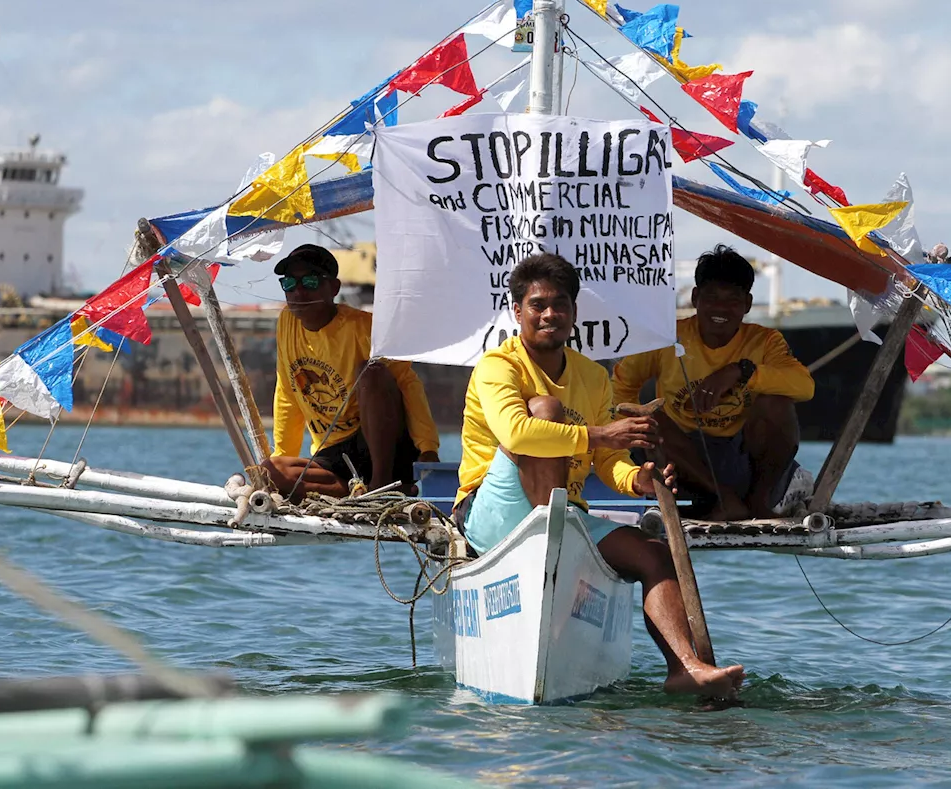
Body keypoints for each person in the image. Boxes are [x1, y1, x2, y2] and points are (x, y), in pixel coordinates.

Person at [455, 252, 744, 700]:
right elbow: (516, 431)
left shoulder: (592, 375)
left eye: (561, 305)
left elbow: (607, 460)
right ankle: (547, 550)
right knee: (544, 410)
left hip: (564, 516)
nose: (550, 314)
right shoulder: (498, 365)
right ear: (518, 312)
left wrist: (638, 480)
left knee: (653, 553)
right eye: (538, 305)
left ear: (573, 312)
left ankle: (686, 668)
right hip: (491, 510)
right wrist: (601, 432)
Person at [613, 245, 814, 521]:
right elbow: (619, 390)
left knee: (777, 404)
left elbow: (805, 386)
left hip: (738, 460)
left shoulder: (765, 341)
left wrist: (739, 372)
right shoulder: (667, 337)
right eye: (711, 297)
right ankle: (726, 500)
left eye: (732, 299)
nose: (720, 308)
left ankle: (758, 500)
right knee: (649, 418)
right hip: (680, 462)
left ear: (748, 304)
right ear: (695, 297)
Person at [261, 243, 440, 502]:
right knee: (270, 473)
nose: (298, 291)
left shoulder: (364, 327)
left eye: (310, 281)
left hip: (383, 445)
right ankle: (358, 491)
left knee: (372, 373)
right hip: (334, 454)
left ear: (333, 288)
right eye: (289, 283)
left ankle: (383, 483)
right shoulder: (287, 322)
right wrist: (282, 453)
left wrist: (428, 448)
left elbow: (407, 382)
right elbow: (288, 391)